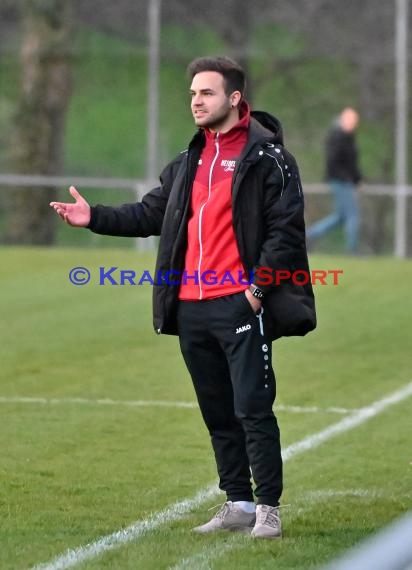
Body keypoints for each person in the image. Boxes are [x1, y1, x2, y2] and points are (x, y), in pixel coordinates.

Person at [50, 56, 316, 539]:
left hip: (239, 304)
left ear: (234, 99)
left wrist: (255, 292)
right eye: (193, 93)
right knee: (216, 409)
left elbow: (286, 232)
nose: (196, 101)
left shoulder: (271, 159)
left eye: (206, 93)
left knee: (252, 407)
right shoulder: (188, 161)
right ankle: (236, 502)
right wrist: (95, 217)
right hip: (190, 307)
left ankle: (267, 510)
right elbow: (151, 214)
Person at [306, 107, 362, 253]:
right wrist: (348, 178)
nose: (354, 123)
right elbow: (334, 161)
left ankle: (310, 234)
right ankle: (352, 249)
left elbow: (352, 163)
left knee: (340, 216)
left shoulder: (348, 137)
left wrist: (356, 179)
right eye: (351, 120)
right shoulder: (338, 137)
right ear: (343, 120)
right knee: (352, 214)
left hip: (345, 180)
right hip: (340, 180)